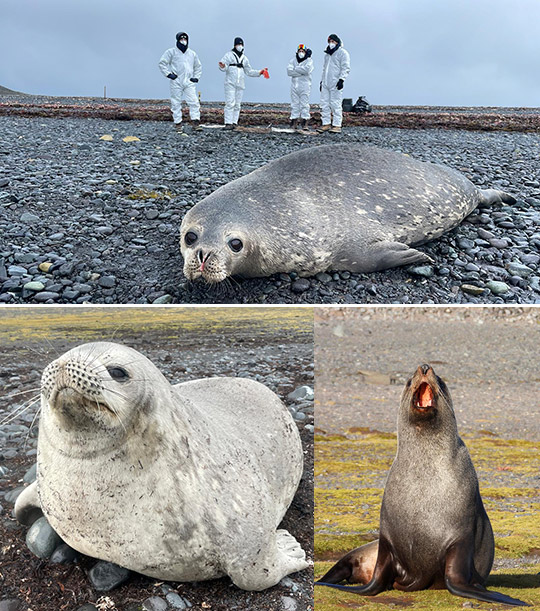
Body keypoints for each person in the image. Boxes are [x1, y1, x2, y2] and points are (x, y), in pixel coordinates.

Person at [159, 32, 203, 132]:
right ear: (177, 40)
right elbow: (162, 63)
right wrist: (168, 74)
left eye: (185, 39)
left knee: (194, 102)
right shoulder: (171, 52)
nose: (183, 41)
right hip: (176, 81)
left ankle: (195, 122)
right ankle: (178, 123)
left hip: (189, 81)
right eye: (181, 39)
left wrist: (196, 77)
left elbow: (198, 66)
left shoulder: (192, 53)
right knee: (176, 102)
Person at [218, 37, 265, 129]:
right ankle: (228, 123)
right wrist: (222, 66)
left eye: (241, 45)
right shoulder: (229, 55)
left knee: (237, 104)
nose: (239, 46)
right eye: (238, 44)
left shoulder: (245, 59)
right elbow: (223, 66)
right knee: (230, 103)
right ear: (234, 45)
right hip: (230, 83)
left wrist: (259, 72)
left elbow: (249, 71)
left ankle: (234, 122)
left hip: (240, 84)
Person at [318, 34, 350, 134]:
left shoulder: (342, 53)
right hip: (326, 82)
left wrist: (341, 79)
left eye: (333, 41)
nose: (331, 43)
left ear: (337, 42)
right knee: (324, 104)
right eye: (329, 41)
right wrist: (322, 81)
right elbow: (324, 69)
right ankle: (326, 123)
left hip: (335, 82)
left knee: (335, 103)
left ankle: (337, 125)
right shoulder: (327, 54)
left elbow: (345, 67)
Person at [287, 44, 314, 130]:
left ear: (306, 52)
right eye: (299, 51)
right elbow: (289, 72)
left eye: (302, 51)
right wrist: (301, 71)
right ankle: (294, 121)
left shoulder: (309, 61)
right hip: (294, 85)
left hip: (305, 85)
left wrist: (296, 69)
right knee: (294, 104)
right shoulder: (293, 61)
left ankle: (305, 122)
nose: (301, 53)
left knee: (304, 104)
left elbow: (307, 70)